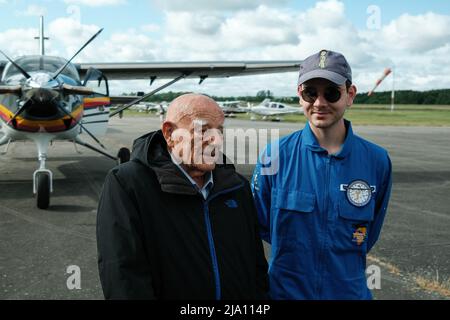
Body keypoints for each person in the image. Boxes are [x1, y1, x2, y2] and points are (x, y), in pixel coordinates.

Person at [97, 93, 268, 299]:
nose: (216, 140)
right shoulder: (128, 183)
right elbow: (122, 273)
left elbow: (255, 263)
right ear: (169, 133)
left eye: (219, 131)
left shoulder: (237, 187)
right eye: (203, 130)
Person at [251, 50, 392, 300]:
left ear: (350, 95)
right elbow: (260, 226)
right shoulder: (273, 156)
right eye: (310, 93)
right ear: (299, 96)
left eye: (331, 93)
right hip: (286, 294)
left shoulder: (377, 160)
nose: (319, 102)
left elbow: (369, 234)